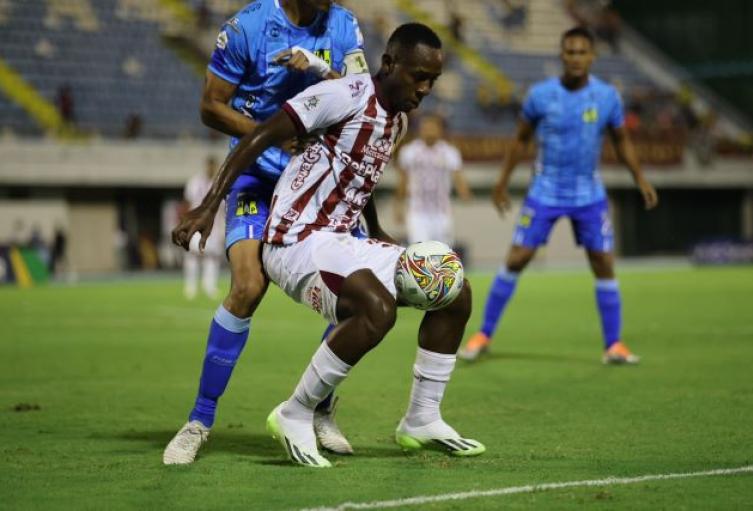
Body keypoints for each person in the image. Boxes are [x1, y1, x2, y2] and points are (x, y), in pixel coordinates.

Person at [173, 23, 485, 468]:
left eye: (432, 80)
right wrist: (207, 206)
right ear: (390, 64)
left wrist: (375, 231)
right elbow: (259, 135)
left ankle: (422, 418)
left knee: (453, 289)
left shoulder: (398, 120)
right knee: (377, 309)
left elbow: (363, 178)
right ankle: (294, 413)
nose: (426, 89)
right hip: (293, 238)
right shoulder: (345, 95)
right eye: (419, 76)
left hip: (341, 239)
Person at [163, 0, 371, 465]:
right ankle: (199, 420)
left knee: (359, 296)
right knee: (247, 286)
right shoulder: (247, 28)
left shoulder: (344, 25)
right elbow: (210, 106)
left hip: (317, 179)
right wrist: (271, 132)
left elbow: (363, 94)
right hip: (257, 173)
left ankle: (317, 407)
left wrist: (319, 68)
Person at [459, 27, 658, 364]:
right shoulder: (540, 95)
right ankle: (483, 334)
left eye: (582, 52)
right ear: (561, 55)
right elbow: (520, 140)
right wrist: (502, 181)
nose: (575, 58)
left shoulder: (608, 96)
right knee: (517, 259)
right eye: (569, 52)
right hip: (545, 190)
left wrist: (639, 177)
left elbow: (622, 140)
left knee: (603, 264)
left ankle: (614, 345)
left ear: (592, 56)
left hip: (588, 193)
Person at [394, 113, 472, 245]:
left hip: (442, 211)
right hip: (417, 211)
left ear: (440, 130)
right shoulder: (409, 151)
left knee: (443, 252)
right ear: (420, 130)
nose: (429, 131)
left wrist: (464, 191)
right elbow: (403, 181)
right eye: (426, 128)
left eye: (433, 127)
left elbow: (458, 176)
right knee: (420, 249)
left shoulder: (449, 152)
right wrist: (398, 206)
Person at [182, 156, 225, 300]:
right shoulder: (194, 182)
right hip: (196, 224)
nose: (211, 169)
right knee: (193, 255)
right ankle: (190, 287)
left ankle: (209, 286)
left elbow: (223, 208)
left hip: (215, 226)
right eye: (210, 166)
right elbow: (188, 204)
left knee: (212, 257)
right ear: (206, 166)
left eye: (214, 166)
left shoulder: (221, 183)